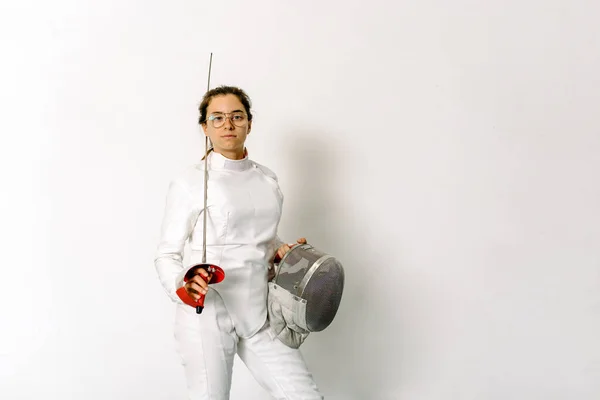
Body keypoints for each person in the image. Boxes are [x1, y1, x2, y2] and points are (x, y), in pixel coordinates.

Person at [154, 85, 323, 400]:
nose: (228, 124)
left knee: (304, 395)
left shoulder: (267, 180)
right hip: (208, 313)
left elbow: (263, 240)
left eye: (236, 116)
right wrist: (184, 285)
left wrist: (283, 253)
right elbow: (166, 254)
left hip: (260, 312)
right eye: (217, 118)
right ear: (205, 127)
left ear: (249, 123)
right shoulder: (190, 183)